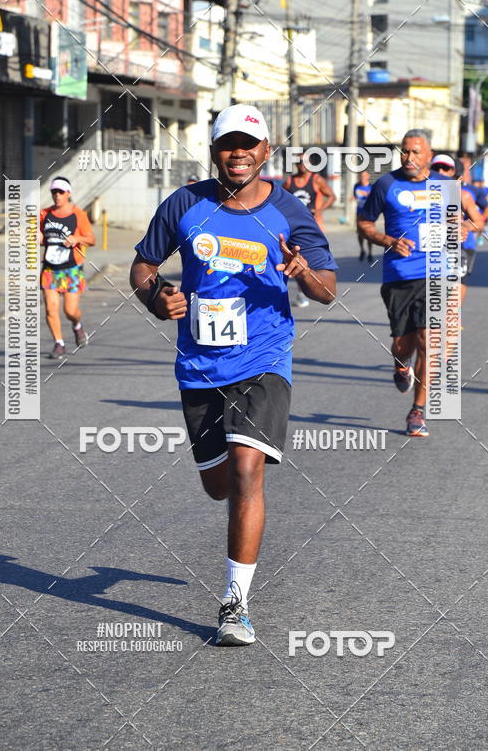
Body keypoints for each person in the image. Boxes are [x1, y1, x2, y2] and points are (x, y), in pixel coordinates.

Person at [131, 103, 338, 646]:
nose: (238, 153)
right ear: (214, 151)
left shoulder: (290, 212)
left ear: (266, 151)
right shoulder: (185, 202)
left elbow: (327, 289)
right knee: (217, 484)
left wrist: (302, 272)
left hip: (264, 359)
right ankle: (225, 507)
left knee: (248, 471)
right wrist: (158, 299)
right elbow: (143, 267)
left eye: (248, 144)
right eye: (228, 144)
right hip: (199, 364)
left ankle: (235, 604)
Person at [358, 130, 453, 438]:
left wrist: (462, 227)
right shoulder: (386, 184)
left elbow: (459, 220)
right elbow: (364, 222)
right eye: (405, 152)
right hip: (398, 275)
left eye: (415, 152)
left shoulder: (444, 186)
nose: (409, 158)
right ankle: (401, 366)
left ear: (429, 155)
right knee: (404, 344)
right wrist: (387, 240)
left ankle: (417, 411)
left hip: (435, 273)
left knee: (429, 342)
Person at [39, 176, 95, 359]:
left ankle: (77, 326)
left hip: (71, 269)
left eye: (60, 192)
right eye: (54, 192)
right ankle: (59, 344)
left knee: (70, 311)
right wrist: (37, 238)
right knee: (50, 309)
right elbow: (38, 235)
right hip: (50, 269)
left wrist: (77, 239)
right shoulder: (44, 214)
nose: (57, 196)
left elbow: (91, 239)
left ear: (68, 193)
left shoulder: (78, 214)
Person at [430, 155, 484, 305]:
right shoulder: (421, 194)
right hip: (427, 250)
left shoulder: (463, 195)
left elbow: (479, 223)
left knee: (457, 283)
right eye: (436, 168)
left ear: (452, 172)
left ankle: (451, 319)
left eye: (445, 168)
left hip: (454, 250)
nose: (440, 171)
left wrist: (464, 226)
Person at [283, 153, 336, 306]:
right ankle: (299, 292)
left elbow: (331, 196)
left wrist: (320, 210)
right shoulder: (289, 181)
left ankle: (312, 289)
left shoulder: (316, 180)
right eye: (299, 162)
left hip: (312, 227)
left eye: (306, 162)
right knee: (293, 259)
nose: (302, 165)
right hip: (292, 226)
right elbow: (279, 198)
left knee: (312, 262)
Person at [351, 170, 373, 262]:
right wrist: (353, 198)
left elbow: (374, 199)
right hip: (359, 212)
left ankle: (370, 253)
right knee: (360, 232)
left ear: (368, 176)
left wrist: (367, 195)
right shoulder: (356, 186)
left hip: (369, 212)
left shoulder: (372, 187)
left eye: (364, 175)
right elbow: (356, 196)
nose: (363, 177)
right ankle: (362, 250)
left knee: (369, 233)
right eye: (361, 176)